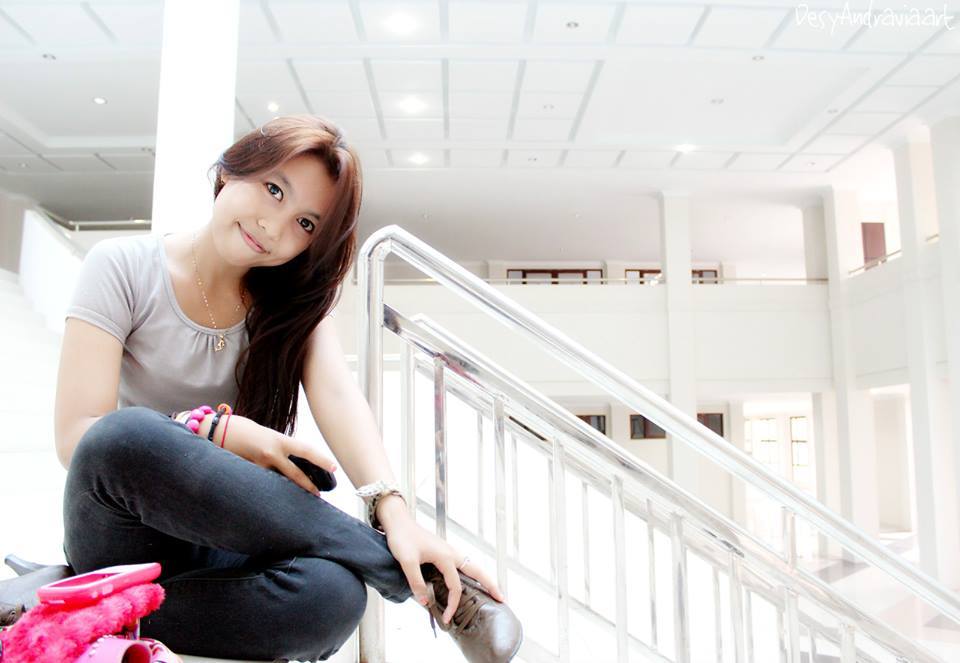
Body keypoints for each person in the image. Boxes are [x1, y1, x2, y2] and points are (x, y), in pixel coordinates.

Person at [0, 115, 522, 662]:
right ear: (231, 170)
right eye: (274, 190)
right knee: (122, 436)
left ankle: (75, 612)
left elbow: (339, 398)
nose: (273, 227)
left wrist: (393, 511)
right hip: (123, 533)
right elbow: (78, 439)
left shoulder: (291, 310)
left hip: (222, 543)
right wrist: (217, 432)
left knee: (335, 596)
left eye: (304, 223)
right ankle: (419, 582)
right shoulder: (122, 267)